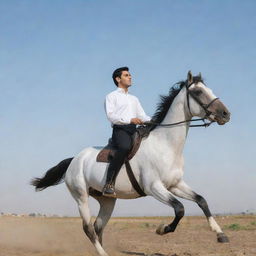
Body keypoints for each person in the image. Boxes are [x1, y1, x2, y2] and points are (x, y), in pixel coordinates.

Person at [103, 67, 151, 196]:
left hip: (133, 129)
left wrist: (156, 120)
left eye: (130, 75)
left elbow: (142, 116)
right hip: (120, 130)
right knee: (124, 147)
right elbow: (111, 116)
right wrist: (130, 119)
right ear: (118, 79)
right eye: (126, 75)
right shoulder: (111, 96)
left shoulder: (134, 99)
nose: (130, 77)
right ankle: (109, 183)